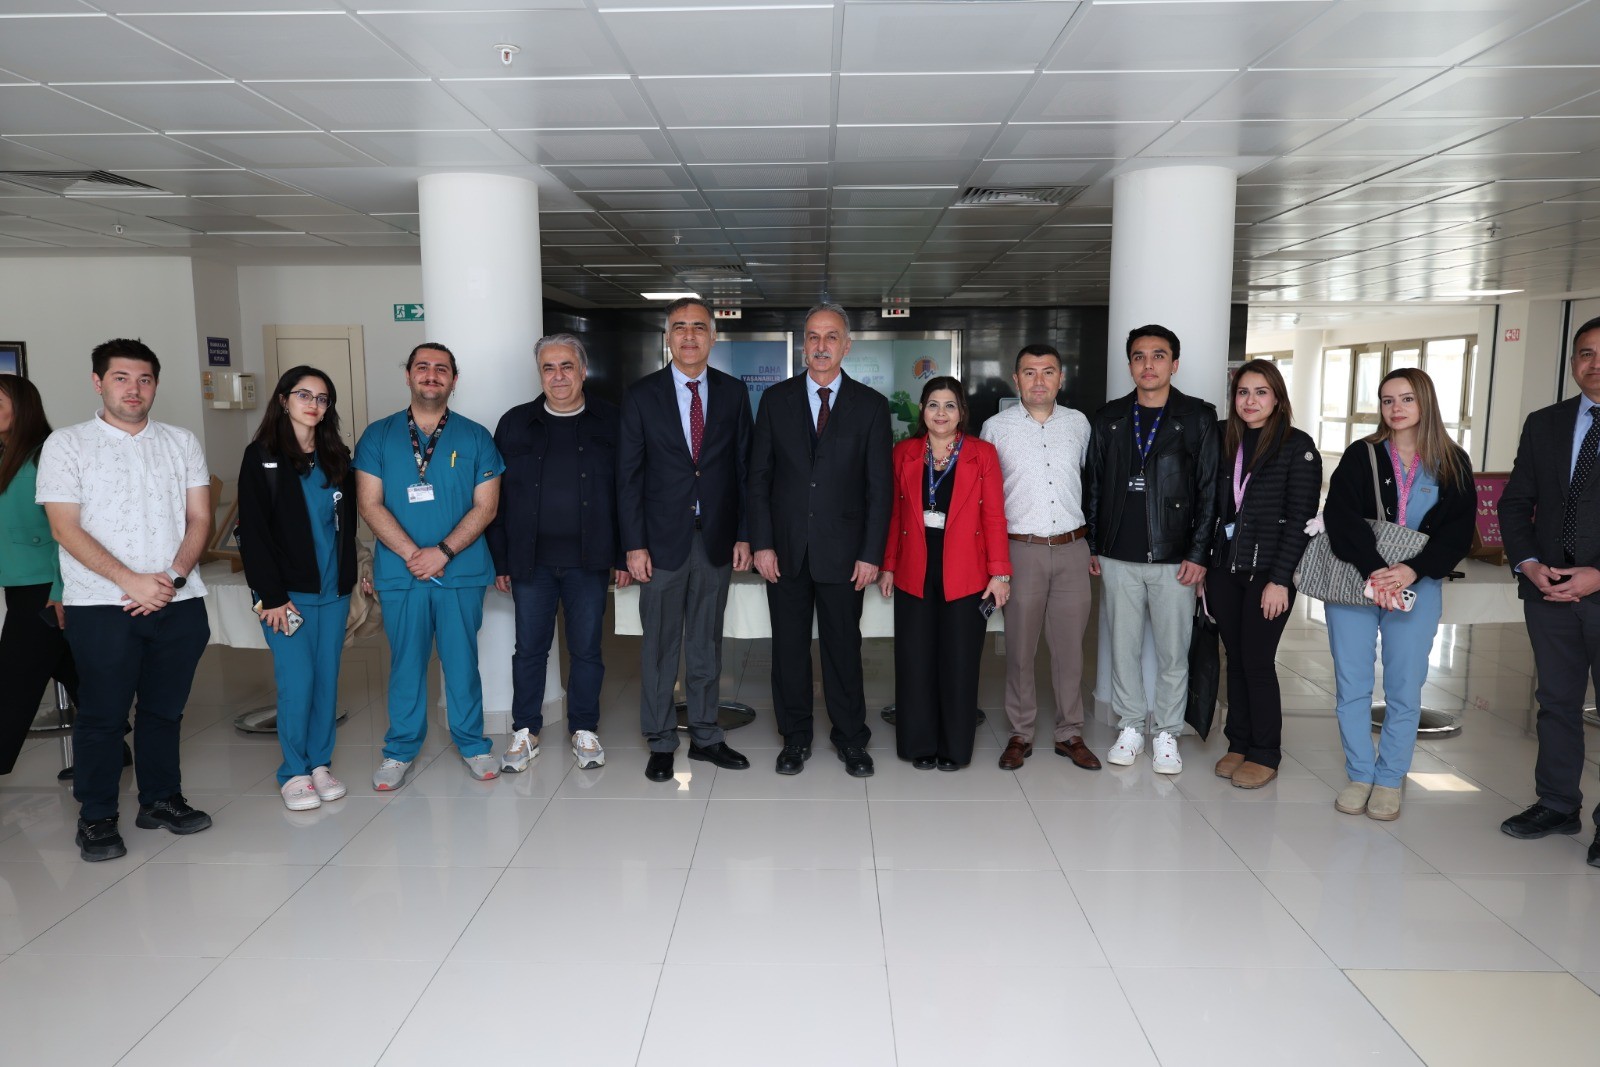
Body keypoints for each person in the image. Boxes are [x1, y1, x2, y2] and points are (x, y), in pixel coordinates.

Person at [37, 339, 213, 862]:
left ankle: (160, 799)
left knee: (165, 710)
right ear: (98, 382)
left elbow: (200, 517)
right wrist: (130, 581)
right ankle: (96, 817)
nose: (133, 389)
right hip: (100, 605)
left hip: (179, 601)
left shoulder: (181, 442)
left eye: (144, 379)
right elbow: (64, 528)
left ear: (155, 385)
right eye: (121, 378)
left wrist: (172, 578)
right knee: (103, 715)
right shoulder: (67, 444)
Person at [747, 302, 892, 778]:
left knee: (843, 649)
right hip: (784, 550)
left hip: (846, 553)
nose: (821, 345)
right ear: (803, 346)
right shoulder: (776, 400)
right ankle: (795, 738)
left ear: (846, 346)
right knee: (788, 650)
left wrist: (871, 553)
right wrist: (762, 543)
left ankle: (851, 738)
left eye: (831, 337)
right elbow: (759, 478)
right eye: (813, 336)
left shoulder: (870, 406)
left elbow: (879, 488)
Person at [1324, 368, 1473, 822]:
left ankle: (1390, 779)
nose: (1396, 408)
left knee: (1405, 688)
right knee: (1352, 685)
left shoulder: (1452, 461)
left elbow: (1458, 532)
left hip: (1417, 586)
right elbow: (1340, 516)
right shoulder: (1362, 454)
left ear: (1425, 402)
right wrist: (1375, 569)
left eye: (1406, 399)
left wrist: (1412, 570)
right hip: (1356, 581)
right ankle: (1359, 774)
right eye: (1387, 400)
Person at [354, 342, 505, 791]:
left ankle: (473, 744)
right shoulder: (378, 436)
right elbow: (369, 503)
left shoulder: (476, 437)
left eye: (442, 369)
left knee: (462, 663)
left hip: (459, 571)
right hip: (402, 574)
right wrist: (411, 554)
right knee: (406, 664)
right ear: (408, 376)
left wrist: (442, 552)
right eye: (423, 367)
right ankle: (400, 750)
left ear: (454, 380)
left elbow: (487, 507)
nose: (431, 375)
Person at [618, 297, 753, 782]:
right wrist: (633, 544)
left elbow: (744, 470)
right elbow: (628, 476)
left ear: (713, 336)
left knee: (706, 644)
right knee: (659, 645)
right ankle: (659, 740)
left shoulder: (733, 393)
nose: (690, 336)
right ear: (668, 337)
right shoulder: (641, 395)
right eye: (680, 327)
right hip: (659, 544)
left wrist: (744, 534)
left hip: (715, 539)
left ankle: (706, 735)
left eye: (699, 327)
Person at [488, 334, 628, 774]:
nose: (558, 376)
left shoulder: (612, 420)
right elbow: (495, 499)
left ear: (583, 371)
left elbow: (628, 491)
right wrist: (501, 560)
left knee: (586, 649)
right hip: (531, 562)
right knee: (529, 649)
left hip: (590, 560)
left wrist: (624, 554)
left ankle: (584, 727)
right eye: (548, 368)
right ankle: (525, 730)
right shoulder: (515, 424)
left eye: (567, 366)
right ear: (540, 374)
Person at [1085, 325, 1219, 775]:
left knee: (1172, 652)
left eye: (1158, 356)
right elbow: (1094, 486)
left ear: (1174, 364)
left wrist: (1199, 553)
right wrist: (1093, 544)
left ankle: (1166, 733)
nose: (1148, 365)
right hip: (1117, 554)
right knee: (1121, 649)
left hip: (1175, 558)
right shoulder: (1109, 418)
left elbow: (1209, 491)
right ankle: (1129, 726)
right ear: (1130, 365)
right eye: (1139, 356)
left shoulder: (1198, 418)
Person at [1498, 315, 1600, 864]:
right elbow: (1516, 502)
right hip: (1549, 590)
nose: (1595, 364)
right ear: (1573, 362)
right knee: (1556, 702)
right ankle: (1558, 804)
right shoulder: (1545, 423)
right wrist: (1529, 563)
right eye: (1586, 353)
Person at [237, 366, 358, 811]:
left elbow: (347, 527)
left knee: (326, 681)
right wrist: (270, 596)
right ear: (284, 400)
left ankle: (320, 764)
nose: (313, 404)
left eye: (322, 398)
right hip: (285, 597)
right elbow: (253, 533)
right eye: (304, 395)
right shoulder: (262, 457)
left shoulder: (336, 457)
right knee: (298, 682)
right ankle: (293, 771)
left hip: (333, 592)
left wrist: (355, 571)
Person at [877, 378, 1011, 770]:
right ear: (922, 410)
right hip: (914, 564)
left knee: (959, 660)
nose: (941, 413)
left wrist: (1000, 573)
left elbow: (994, 516)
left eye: (950, 405)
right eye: (933, 404)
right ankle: (918, 744)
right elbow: (894, 514)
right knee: (915, 659)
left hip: (967, 569)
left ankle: (954, 748)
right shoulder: (903, 453)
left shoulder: (982, 454)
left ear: (961, 412)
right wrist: (888, 565)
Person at [981, 344, 1100, 773]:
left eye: (1048, 372)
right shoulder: (996, 428)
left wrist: (1094, 545)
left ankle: (1070, 732)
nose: (1038, 381)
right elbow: (986, 497)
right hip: (1020, 550)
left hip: (1072, 548)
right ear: (1016, 380)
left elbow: (1092, 483)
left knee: (1070, 651)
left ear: (1060, 378)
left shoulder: (1079, 424)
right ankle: (1021, 733)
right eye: (1029, 372)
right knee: (1019, 649)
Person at [1205, 360, 1321, 788]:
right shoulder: (1224, 438)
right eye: (1243, 392)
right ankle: (1238, 743)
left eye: (1261, 392)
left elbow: (1300, 519)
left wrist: (1280, 580)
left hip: (1267, 573)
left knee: (1256, 660)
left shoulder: (1296, 446)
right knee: (1234, 659)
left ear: (1277, 399)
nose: (1250, 401)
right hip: (1224, 568)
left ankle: (1265, 751)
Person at [0, 374, 79, 778]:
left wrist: (61, 590)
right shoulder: (6, 454)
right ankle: (109, 743)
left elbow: (67, 530)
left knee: (14, 678)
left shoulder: (47, 455)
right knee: (67, 665)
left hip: (46, 585)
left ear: (22, 408)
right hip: (18, 583)